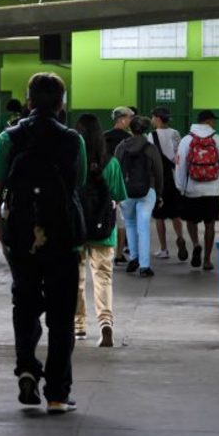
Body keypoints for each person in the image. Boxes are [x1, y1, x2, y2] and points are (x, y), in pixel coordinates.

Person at [0, 72, 86, 414]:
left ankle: (27, 368)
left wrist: (6, 237)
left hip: (22, 239)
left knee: (25, 306)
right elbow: (78, 186)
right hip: (63, 240)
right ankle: (58, 393)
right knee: (61, 317)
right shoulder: (73, 140)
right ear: (62, 104)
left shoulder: (8, 138)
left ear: (28, 101)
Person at [73, 114, 127, 346]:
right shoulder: (111, 163)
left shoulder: (71, 162)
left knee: (76, 280)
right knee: (103, 278)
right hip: (104, 231)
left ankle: (79, 326)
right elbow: (119, 197)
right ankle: (105, 323)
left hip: (75, 230)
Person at [175, 110, 219, 271]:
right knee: (210, 224)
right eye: (214, 121)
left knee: (191, 221)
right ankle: (207, 260)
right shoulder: (218, 140)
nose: (215, 123)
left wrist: (180, 186)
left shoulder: (187, 140)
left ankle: (195, 244)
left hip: (191, 189)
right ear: (208, 121)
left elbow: (180, 164)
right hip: (212, 190)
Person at [115, 116, 163, 278]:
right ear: (146, 130)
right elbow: (158, 172)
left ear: (131, 129)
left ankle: (134, 257)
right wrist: (159, 192)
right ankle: (144, 266)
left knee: (129, 224)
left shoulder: (121, 147)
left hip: (126, 191)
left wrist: (118, 192)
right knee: (143, 227)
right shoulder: (151, 148)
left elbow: (117, 169)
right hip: (147, 191)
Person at [150, 107, 187, 261]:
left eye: (152, 117)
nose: (151, 120)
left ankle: (164, 249)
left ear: (158, 119)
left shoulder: (151, 136)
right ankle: (180, 237)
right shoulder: (175, 133)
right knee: (176, 215)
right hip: (174, 179)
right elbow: (179, 157)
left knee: (159, 216)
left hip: (160, 180)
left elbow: (151, 159)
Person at [104, 106, 134, 265]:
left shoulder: (104, 136)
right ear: (122, 119)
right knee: (123, 221)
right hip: (124, 182)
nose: (131, 120)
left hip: (106, 181)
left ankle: (105, 250)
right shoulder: (129, 138)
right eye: (129, 117)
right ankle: (119, 254)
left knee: (107, 217)